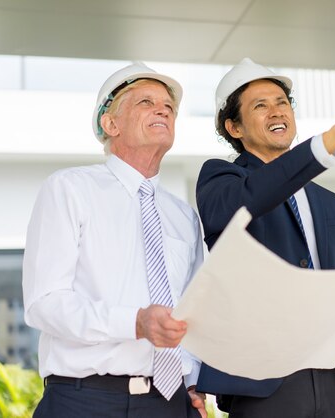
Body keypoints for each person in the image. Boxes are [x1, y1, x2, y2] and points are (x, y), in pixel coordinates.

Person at [194, 57, 335, 418]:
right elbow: (258, 195)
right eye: (260, 106)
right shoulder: (221, 182)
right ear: (234, 127)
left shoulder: (332, 205)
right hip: (264, 385)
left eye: (282, 103)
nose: (277, 112)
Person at [23, 62, 206, 418]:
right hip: (86, 401)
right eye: (145, 103)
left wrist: (193, 381)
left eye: (168, 107)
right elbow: (44, 302)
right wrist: (134, 322)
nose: (163, 110)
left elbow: (193, 311)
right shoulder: (69, 189)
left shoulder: (184, 217)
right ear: (110, 124)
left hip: (170, 404)